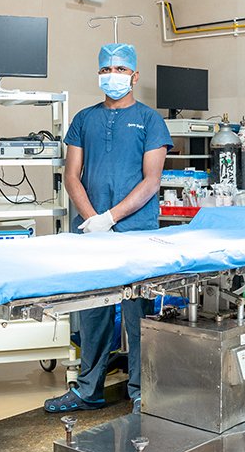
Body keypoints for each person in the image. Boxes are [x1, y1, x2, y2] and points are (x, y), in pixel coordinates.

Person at [44, 42, 173, 414]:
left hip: (136, 230)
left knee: (138, 315)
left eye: (120, 69)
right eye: (106, 69)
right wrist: (93, 221)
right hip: (91, 232)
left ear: (134, 75)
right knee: (92, 311)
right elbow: (72, 176)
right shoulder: (84, 119)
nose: (112, 76)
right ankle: (89, 390)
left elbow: (151, 181)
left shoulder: (150, 121)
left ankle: (142, 392)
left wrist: (111, 218)